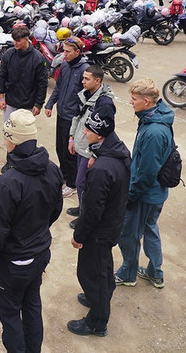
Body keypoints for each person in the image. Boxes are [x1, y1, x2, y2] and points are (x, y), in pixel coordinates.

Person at [0, 110, 63, 353]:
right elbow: (56, 209)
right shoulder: (52, 169)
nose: (4, 141)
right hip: (39, 254)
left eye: (6, 136)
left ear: (12, 140)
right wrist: (37, 231)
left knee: (10, 314)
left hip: (14, 264)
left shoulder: (8, 182)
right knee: (32, 305)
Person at [68, 106, 130, 337]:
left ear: (100, 134)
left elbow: (92, 211)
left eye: (88, 129)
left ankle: (97, 322)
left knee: (92, 274)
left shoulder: (102, 170)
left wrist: (79, 235)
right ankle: (100, 295)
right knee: (102, 267)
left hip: (99, 231)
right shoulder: (117, 151)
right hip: (113, 223)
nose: (84, 132)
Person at [115, 79, 173, 289]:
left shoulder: (153, 132)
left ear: (146, 101)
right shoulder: (156, 118)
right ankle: (155, 273)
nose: (131, 102)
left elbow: (147, 173)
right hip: (156, 193)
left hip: (145, 194)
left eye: (134, 99)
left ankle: (128, 274)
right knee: (150, 229)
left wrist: (130, 195)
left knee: (128, 234)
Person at [67, 65, 116, 226]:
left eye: (86, 79)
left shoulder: (105, 104)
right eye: (83, 78)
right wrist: (72, 138)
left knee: (83, 183)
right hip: (81, 145)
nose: (83, 81)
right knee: (81, 183)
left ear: (97, 81)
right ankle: (82, 208)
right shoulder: (85, 94)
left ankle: (85, 217)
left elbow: (105, 132)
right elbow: (77, 117)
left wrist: (95, 155)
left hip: (90, 151)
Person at [44, 36, 87, 198]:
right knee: (60, 147)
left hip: (73, 118)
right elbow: (58, 87)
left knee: (70, 152)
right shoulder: (64, 65)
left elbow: (86, 97)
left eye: (68, 52)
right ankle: (64, 175)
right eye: (64, 51)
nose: (64, 54)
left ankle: (72, 184)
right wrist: (50, 104)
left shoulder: (85, 70)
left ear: (78, 52)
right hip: (62, 114)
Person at [0, 25, 48, 121]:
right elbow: (2, 76)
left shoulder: (38, 58)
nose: (15, 43)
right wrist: (1, 98)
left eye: (18, 41)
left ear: (26, 39)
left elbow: (42, 83)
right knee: (8, 129)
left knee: (25, 130)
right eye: (14, 40)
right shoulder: (8, 54)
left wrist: (38, 104)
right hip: (10, 103)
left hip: (28, 105)